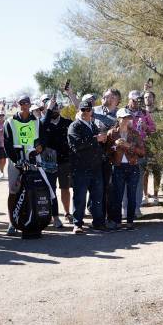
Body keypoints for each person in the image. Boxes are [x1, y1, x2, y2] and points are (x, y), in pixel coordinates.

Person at [4, 95, 43, 236]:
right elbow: (7, 144)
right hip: (16, 162)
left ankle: (33, 218)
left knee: (33, 190)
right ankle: (12, 222)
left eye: (27, 103)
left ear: (30, 104)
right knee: (14, 192)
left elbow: (41, 140)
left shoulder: (37, 121)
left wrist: (40, 147)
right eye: (21, 103)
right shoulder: (10, 121)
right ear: (17, 104)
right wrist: (16, 161)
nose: (24, 105)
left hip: (33, 161)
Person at [67, 98, 106, 233]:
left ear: (91, 111)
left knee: (97, 197)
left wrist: (103, 139)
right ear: (79, 110)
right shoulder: (74, 126)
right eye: (82, 109)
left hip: (95, 167)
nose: (85, 112)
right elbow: (76, 145)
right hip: (80, 168)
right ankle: (77, 223)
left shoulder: (93, 126)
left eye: (88, 109)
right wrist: (96, 139)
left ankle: (98, 222)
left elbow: (97, 144)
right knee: (80, 197)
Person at [106, 108, 146, 230]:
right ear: (118, 119)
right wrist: (114, 146)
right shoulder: (111, 133)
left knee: (131, 195)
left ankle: (130, 221)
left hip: (132, 167)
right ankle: (117, 221)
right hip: (118, 167)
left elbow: (142, 152)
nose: (127, 120)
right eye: (124, 118)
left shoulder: (135, 133)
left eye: (128, 118)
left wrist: (129, 146)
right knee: (117, 196)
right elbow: (106, 152)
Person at [42, 98, 74, 224]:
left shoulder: (67, 122)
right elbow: (42, 129)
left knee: (65, 188)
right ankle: (53, 215)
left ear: (60, 108)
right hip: (48, 162)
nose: (55, 110)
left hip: (65, 161)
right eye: (52, 108)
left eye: (57, 107)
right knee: (51, 189)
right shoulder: (43, 123)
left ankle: (67, 213)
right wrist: (48, 112)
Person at [125, 90, 155, 214]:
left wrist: (145, 127)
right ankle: (125, 208)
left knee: (137, 179)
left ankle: (136, 208)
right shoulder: (122, 112)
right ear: (129, 99)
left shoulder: (144, 113)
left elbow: (153, 129)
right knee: (125, 180)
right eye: (134, 100)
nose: (137, 102)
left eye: (139, 100)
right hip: (125, 150)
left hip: (140, 149)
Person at [92, 89, 120, 220]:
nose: (103, 96)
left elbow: (117, 127)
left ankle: (112, 218)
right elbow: (79, 108)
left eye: (107, 95)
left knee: (111, 187)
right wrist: (70, 94)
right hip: (97, 155)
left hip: (113, 155)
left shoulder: (120, 114)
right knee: (99, 187)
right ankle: (99, 217)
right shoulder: (95, 109)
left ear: (115, 98)